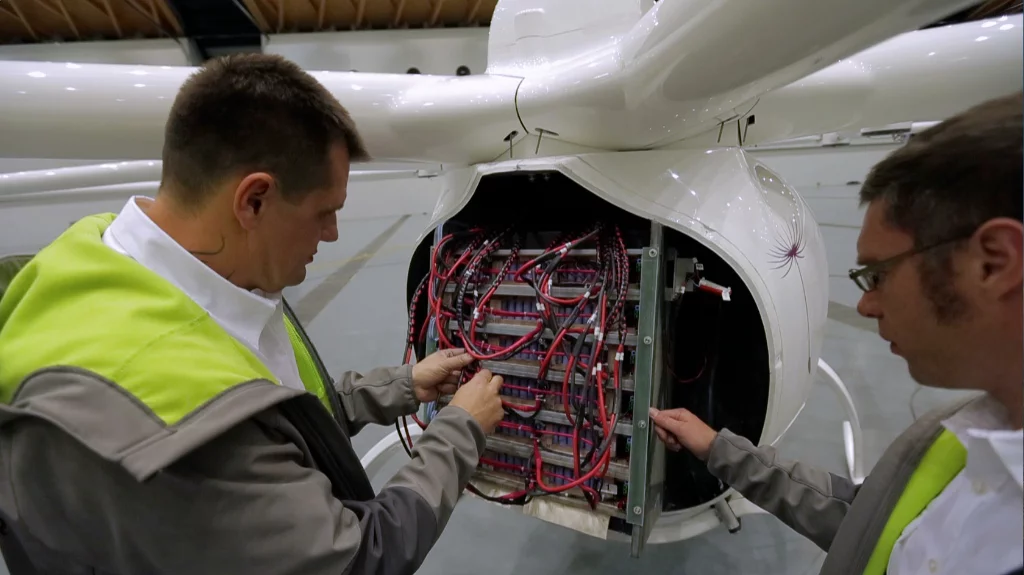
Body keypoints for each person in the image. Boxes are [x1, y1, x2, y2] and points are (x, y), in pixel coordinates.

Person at [0, 53, 505, 575]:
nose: (331, 233)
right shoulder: (185, 434)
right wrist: (459, 431)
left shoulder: (116, 267)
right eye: (324, 211)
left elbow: (273, 411)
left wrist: (400, 386)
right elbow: (359, 558)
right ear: (254, 201)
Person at [649, 91, 1023, 575]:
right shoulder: (967, 437)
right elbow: (865, 520)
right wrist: (719, 449)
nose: (865, 306)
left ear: (994, 262)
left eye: (877, 274)